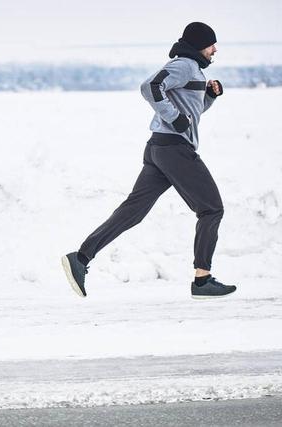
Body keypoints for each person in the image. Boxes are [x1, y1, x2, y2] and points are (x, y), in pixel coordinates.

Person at [61, 22, 237, 300]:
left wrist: (209, 96)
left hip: (160, 147)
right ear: (198, 45)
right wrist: (175, 119)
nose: (215, 49)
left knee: (133, 210)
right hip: (175, 150)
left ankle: (80, 258)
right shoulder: (185, 65)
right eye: (211, 44)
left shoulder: (193, 71)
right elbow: (150, 86)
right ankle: (202, 281)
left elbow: (191, 110)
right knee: (211, 209)